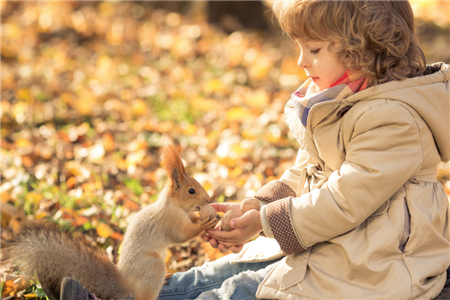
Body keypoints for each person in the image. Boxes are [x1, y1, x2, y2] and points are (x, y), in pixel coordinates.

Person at [62, 0, 449, 299]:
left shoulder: (393, 119)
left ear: (360, 51)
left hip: (376, 264)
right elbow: (306, 173)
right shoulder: (339, 101)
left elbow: (344, 200)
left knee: (243, 291)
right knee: (216, 274)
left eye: (313, 49)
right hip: (336, 242)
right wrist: (258, 206)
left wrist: (267, 223)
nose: (300, 61)